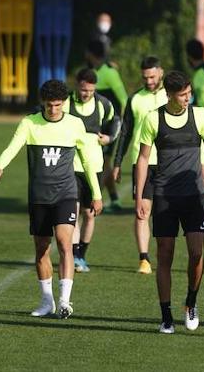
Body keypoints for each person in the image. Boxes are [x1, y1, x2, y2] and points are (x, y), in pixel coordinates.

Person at [0, 79, 103, 319]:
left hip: (65, 193)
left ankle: (64, 301)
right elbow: (13, 147)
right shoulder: (29, 123)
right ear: (43, 103)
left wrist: (96, 193)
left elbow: (86, 161)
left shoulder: (74, 124)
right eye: (49, 105)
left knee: (64, 243)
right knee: (42, 248)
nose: (53, 109)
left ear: (64, 103)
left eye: (58, 105)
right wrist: (0, 165)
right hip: (39, 196)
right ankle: (47, 301)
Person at [133, 71, 204, 334]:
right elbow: (143, 159)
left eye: (189, 93)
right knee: (165, 255)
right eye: (183, 94)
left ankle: (191, 302)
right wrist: (140, 197)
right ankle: (166, 316)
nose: (188, 98)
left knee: (196, 253)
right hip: (164, 196)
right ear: (169, 95)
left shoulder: (200, 116)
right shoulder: (153, 118)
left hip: (193, 196)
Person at [112, 56, 168, 273]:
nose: (149, 81)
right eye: (145, 78)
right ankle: (144, 259)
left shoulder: (171, 95)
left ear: (160, 72)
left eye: (152, 77)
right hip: (141, 162)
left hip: (167, 162)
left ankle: (164, 254)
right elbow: (125, 133)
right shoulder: (135, 99)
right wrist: (117, 163)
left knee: (164, 213)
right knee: (142, 212)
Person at [68, 68, 117, 273]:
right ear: (77, 85)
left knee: (89, 214)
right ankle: (74, 255)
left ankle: (81, 254)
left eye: (89, 90)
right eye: (82, 89)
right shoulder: (66, 103)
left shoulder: (103, 104)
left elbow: (115, 122)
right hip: (70, 167)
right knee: (74, 212)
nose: (86, 94)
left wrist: (109, 138)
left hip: (94, 167)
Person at [84, 40, 128, 206]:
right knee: (104, 163)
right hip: (96, 124)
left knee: (103, 163)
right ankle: (114, 200)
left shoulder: (110, 72)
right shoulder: (91, 72)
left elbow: (123, 99)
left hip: (110, 125)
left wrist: (122, 123)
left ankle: (92, 200)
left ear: (91, 54)